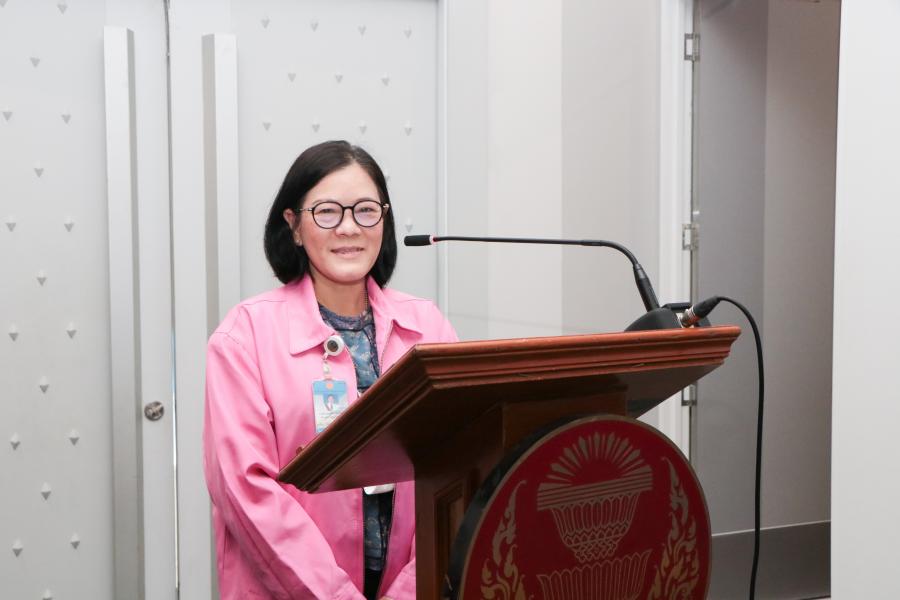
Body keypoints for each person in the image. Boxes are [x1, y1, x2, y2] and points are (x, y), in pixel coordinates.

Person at [203, 141, 457, 599]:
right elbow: (247, 490)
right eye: (326, 212)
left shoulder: (427, 326)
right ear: (294, 226)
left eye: (366, 211)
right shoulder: (245, 335)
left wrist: (411, 591)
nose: (349, 227)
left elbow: (458, 469)